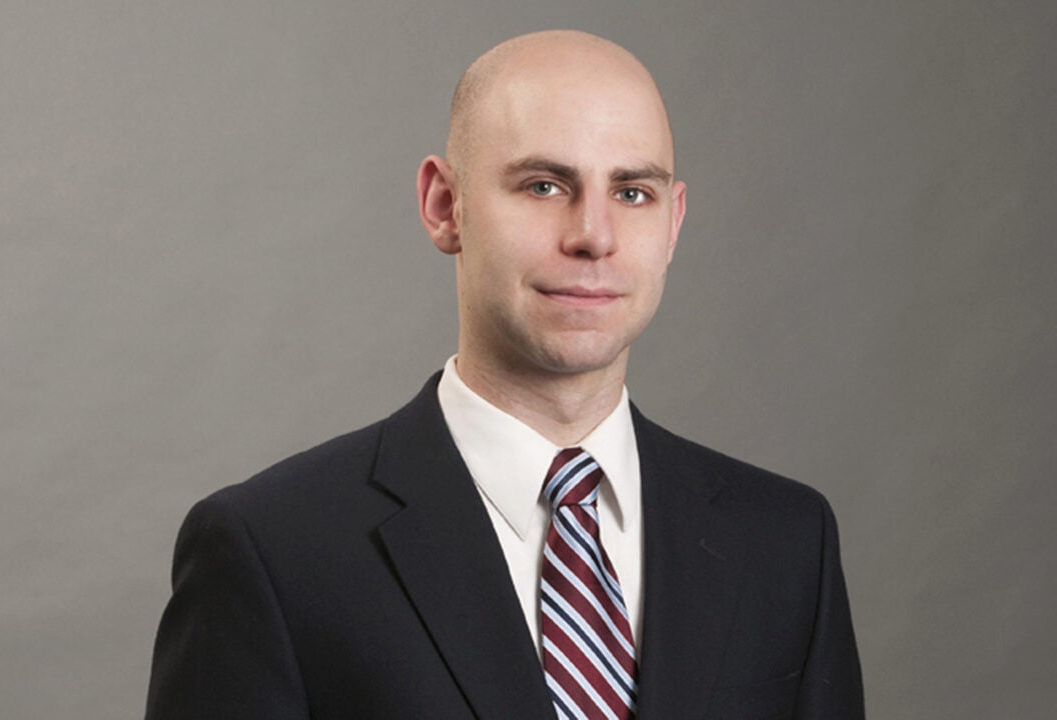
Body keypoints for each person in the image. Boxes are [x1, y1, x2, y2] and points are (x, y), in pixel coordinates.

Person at [145, 29, 863, 720]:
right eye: (545, 186)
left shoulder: (785, 543)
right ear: (443, 205)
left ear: (673, 224)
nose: (594, 236)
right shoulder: (274, 551)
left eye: (633, 192)